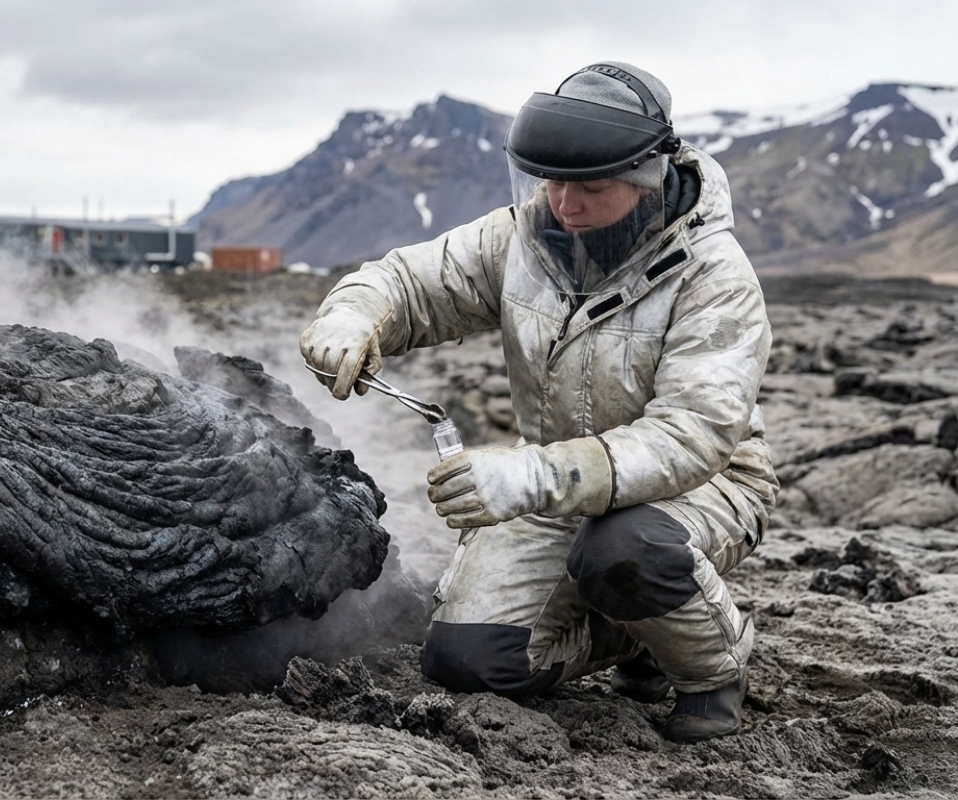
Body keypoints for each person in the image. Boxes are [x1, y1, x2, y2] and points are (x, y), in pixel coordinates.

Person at [299, 61, 778, 743]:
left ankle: (713, 671)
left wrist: (527, 476)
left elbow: (690, 437)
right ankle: (632, 638)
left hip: (705, 485)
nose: (562, 204)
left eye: (590, 187)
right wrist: (354, 316)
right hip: (555, 481)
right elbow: (410, 280)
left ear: (647, 178)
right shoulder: (520, 239)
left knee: (624, 547)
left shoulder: (715, 276)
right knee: (468, 660)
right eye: (548, 181)